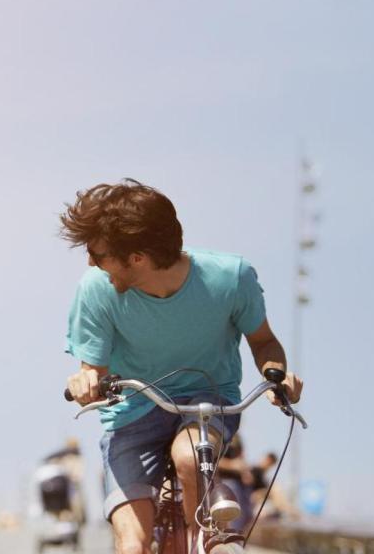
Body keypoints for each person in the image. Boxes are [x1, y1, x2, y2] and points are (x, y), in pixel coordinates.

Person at [60, 179, 303, 554]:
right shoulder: (95, 288)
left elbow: (265, 343)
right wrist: (87, 379)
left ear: (138, 258)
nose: (91, 261)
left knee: (190, 458)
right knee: (132, 545)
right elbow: (93, 370)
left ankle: (205, 542)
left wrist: (276, 375)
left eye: (97, 251)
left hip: (206, 404)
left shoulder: (231, 279)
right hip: (131, 414)